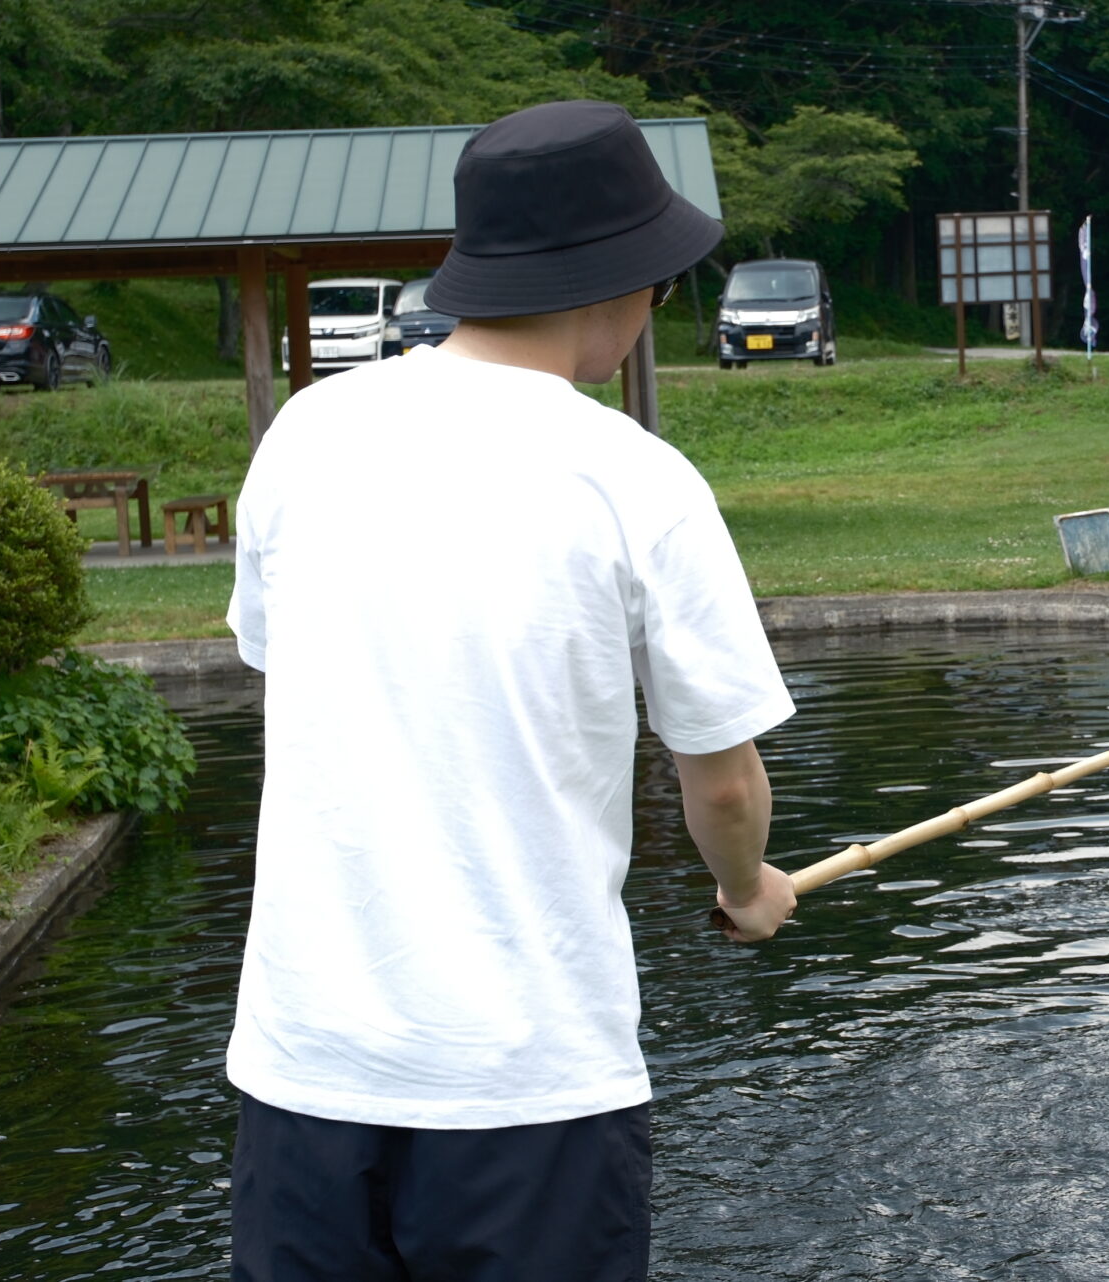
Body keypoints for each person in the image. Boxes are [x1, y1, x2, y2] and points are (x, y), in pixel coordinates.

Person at [225, 100, 798, 1281]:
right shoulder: (636, 477)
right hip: (528, 1084)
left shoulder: (307, 431)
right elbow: (725, 782)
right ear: (619, 287)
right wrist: (747, 891)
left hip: (304, 1069)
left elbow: (282, 666)